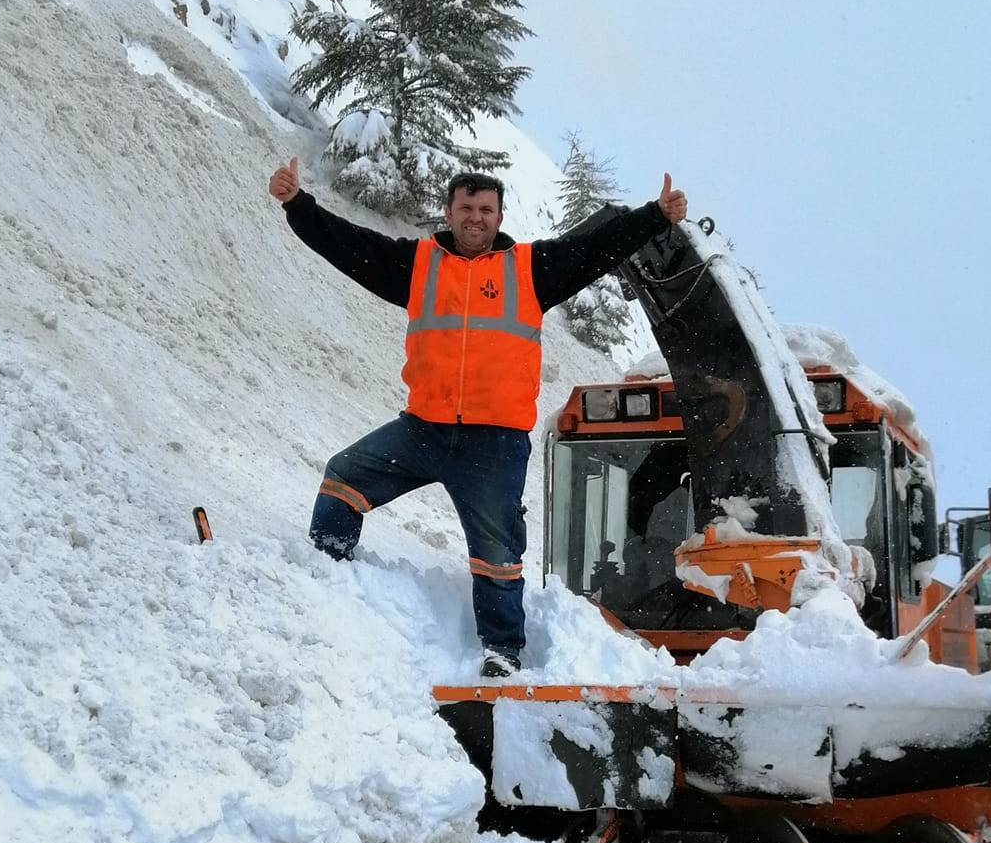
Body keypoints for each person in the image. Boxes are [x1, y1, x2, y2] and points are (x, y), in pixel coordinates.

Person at [268, 158, 688, 677]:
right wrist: (298, 205)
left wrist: (655, 216)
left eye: (485, 209)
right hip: (422, 429)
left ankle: (502, 652)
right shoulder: (418, 265)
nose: (475, 217)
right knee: (343, 478)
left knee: (496, 553)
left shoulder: (531, 268)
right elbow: (350, 245)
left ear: (499, 216)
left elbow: (594, 250)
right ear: (448, 213)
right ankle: (326, 570)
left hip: (494, 443)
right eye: (465, 207)